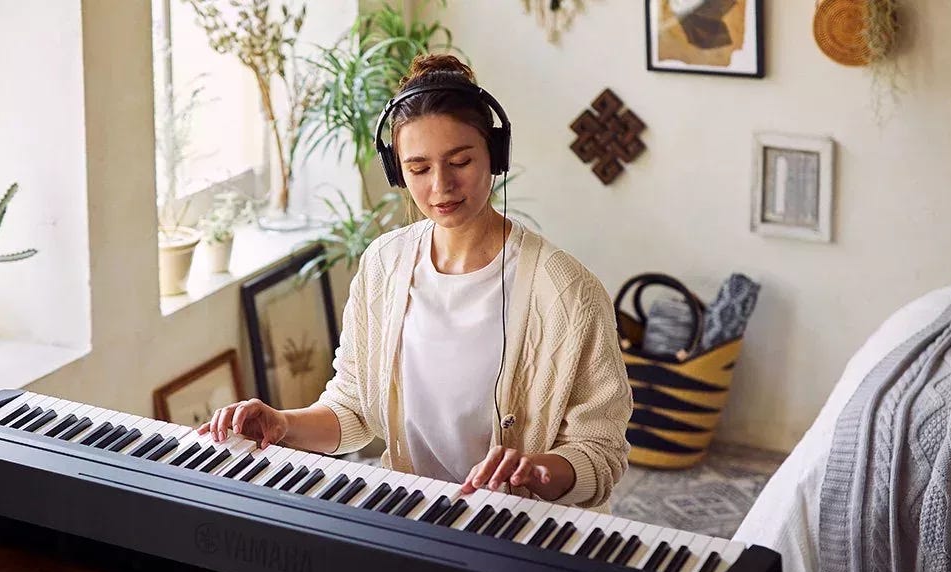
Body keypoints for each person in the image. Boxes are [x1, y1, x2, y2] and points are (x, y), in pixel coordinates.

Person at [198, 53, 632, 512]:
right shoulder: (384, 265)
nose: (441, 186)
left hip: (529, 530)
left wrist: (538, 471)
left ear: (495, 156)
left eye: (460, 161)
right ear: (398, 171)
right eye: (419, 169)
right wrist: (283, 423)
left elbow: (600, 453)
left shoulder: (568, 292)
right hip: (415, 517)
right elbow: (352, 411)